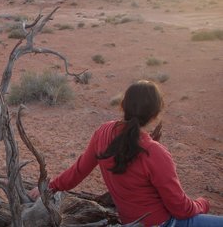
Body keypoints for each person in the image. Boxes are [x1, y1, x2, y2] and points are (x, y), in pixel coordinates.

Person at [28, 80, 223, 227]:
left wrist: (50, 187)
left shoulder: (103, 133)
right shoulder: (155, 153)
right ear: (155, 115)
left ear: (123, 105)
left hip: (131, 221)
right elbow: (181, 210)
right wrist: (203, 203)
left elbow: (78, 171)